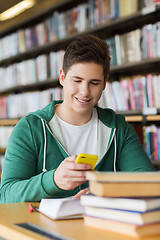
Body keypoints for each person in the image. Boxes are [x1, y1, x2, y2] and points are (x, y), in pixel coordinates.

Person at [0, 34, 156, 203]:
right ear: (62, 77)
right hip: (41, 229)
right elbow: (6, 195)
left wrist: (104, 191)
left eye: (94, 83)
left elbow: (147, 182)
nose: (84, 92)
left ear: (105, 83)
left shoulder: (118, 128)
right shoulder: (30, 128)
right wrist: (53, 180)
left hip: (100, 226)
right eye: (77, 80)